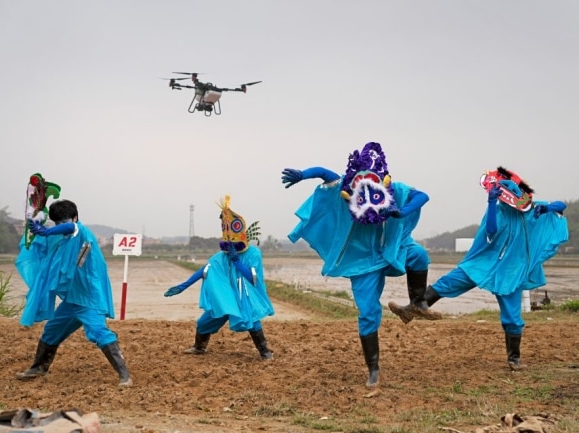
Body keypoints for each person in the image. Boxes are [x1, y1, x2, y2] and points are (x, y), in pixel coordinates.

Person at [281, 141, 437, 390]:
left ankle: (416, 303)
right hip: (362, 261)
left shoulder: (392, 188)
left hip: (393, 247)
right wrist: (303, 174)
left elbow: (422, 196)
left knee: (418, 254)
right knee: (368, 312)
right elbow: (324, 173)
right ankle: (373, 369)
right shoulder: (344, 188)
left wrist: (401, 211)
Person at [389, 166, 569, 370]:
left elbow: (562, 204)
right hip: (484, 263)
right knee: (448, 282)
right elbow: (490, 230)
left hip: (511, 270)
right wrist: (491, 203)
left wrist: (548, 208)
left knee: (512, 316)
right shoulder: (498, 210)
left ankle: (514, 359)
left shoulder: (534, 209)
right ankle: (413, 308)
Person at [14, 199, 132, 387]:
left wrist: (47, 231)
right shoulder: (61, 239)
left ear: (75, 217)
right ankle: (38, 368)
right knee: (51, 330)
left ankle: (124, 376)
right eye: (57, 222)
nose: (61, 225)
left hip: (89, 299)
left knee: (99, 332)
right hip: (72, 300)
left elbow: (70, 227)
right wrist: (36, 227)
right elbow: (45, 246)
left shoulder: (81, 231)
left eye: (64, 221)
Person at [164, 195, 275, 360]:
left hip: (244, 297)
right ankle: (199, 347)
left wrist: (237, 262)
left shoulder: (253, 253)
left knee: (251, 320)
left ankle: (265, 352)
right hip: (224, 297)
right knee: (203, 323)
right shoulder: (221, 256)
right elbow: (205, 270)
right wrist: (183, 286)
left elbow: (253, 278)